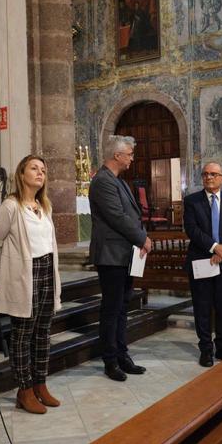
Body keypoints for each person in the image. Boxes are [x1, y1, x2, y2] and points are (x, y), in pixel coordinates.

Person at [0, 155, 62, 415]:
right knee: (23, 335)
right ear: (21, 174)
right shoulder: (11, 206)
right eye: (34, 168)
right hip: (24, 275)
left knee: (43, 332)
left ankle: (40, 384)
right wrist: (5, 269)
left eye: (43, 169)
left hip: (46, 272)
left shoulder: (45, 205)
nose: (40, 173)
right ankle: (24, 390)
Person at [89, 135, 152, 382]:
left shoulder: (120, 182)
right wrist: (142, 238)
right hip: (111, 255)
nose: (132, 158)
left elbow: (131, 215)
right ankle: (110, 360)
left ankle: (123, 355)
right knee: (112, 308)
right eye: (129, 154)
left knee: (123, 307)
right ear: (117, 155)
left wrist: (139, 238)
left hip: (125, 254)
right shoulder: (102, 181)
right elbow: (117, 216)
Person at [184, 162, 222, 367]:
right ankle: (206, 349)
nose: (209, 177)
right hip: (202, 260)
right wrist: (214, 247)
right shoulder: (192, 201)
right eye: (205, 174)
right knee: (202, 306)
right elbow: (192, 229)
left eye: (214, 174)